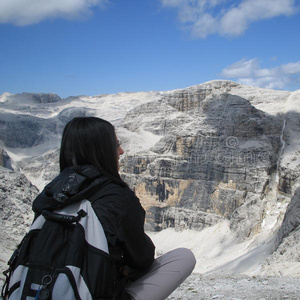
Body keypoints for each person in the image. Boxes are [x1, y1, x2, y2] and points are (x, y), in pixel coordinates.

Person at [32, 116, 196, 300]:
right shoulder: (116, 196)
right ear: (101, 151)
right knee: (184, 257)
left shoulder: (49, 195)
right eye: (116, 144)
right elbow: (143, 258)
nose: (121, 151)